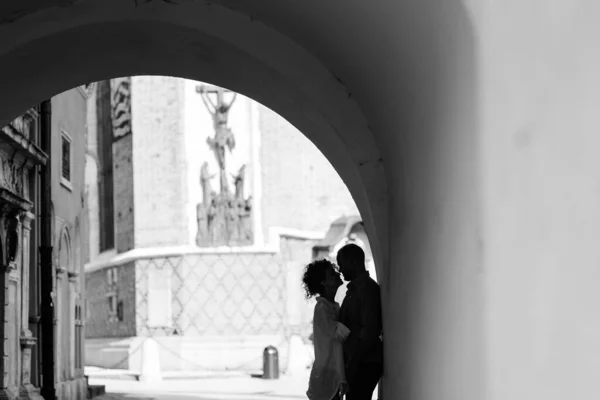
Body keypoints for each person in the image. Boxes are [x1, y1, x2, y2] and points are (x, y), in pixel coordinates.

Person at [337, 244, 383, 400]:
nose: (340, 269)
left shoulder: (367, 290)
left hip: (364, 364)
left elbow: (369, 332)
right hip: (356, 363)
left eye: (341, 263)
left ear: (354, 262)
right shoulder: (354, 290)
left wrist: (353, 365)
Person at [303, 259, 351, 400]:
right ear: (323, 282)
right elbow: (340, 334)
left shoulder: (333, 306)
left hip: (332, 374)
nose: (337, 274)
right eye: (332, 273)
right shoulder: (322, 308)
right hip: (326, 376)